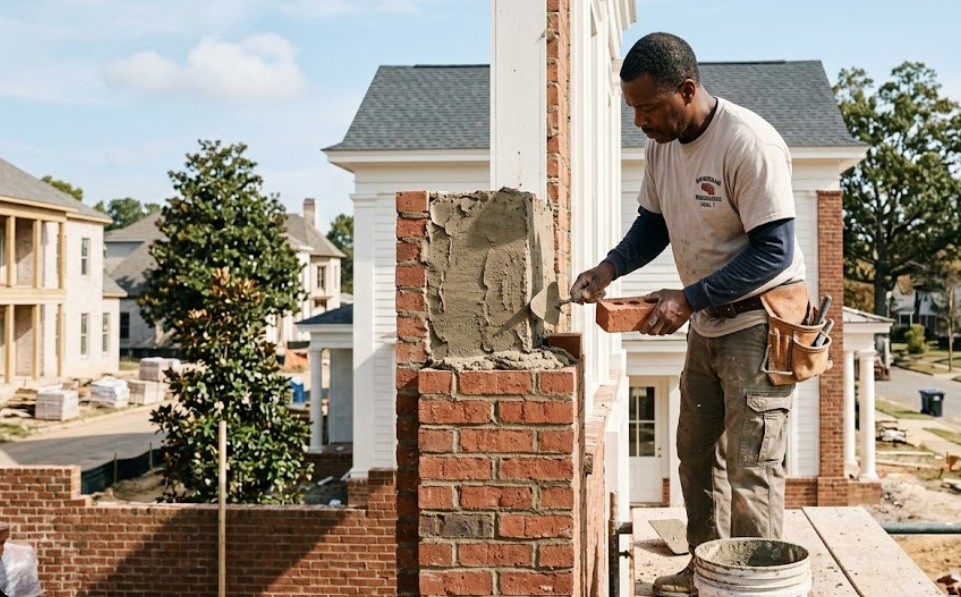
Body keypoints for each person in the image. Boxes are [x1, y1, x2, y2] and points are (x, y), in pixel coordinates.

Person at [570, 32, 805, 596]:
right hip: (709, 322)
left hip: (760, 322)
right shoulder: (662, 146)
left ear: (688, 90)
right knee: (696, 455)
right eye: (633, 109)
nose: (640, 122)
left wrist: (688, 297)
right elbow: (653, 225)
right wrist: (610, 267)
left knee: (751, 467)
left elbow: (774, 251)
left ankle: (753, 585)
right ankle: (707, 572)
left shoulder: (747, 143)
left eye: (649, 108)